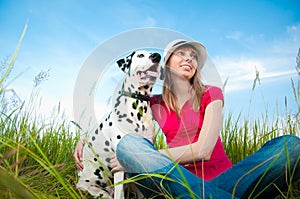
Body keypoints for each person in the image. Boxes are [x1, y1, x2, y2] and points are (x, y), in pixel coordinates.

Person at [74, 39, 300, 198]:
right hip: (172, 181)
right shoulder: (154, 103)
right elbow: (119, 117)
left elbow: (204, 150)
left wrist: (144, 157)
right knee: (129, 144)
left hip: (227, 179)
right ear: (166, 64)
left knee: (291, 146)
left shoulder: (211, 93)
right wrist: (86, 138)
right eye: (181, 54)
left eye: (193, 57)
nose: (189, 59)